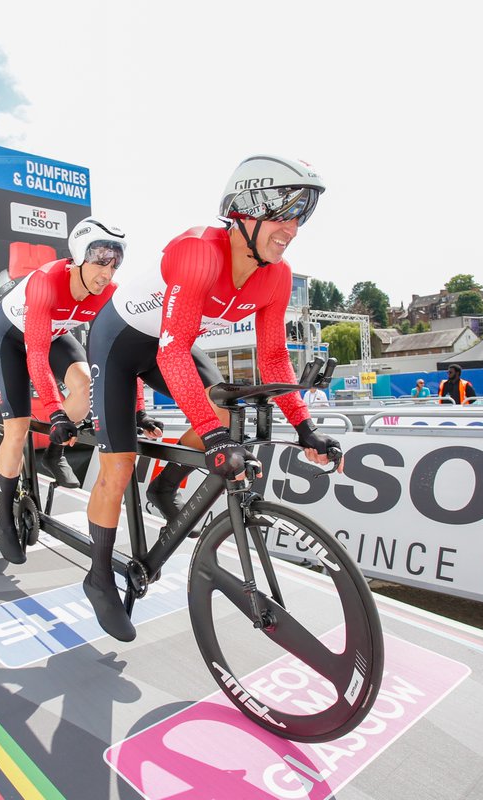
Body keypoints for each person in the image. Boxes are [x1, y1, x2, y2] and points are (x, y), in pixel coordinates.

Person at [83, 154, 342, 641]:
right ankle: (99, 578)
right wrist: (216, 438)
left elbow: (273, 356)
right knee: (117, 466)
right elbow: (175, 348)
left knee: (227, 402)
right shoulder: (199, 251)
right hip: (120, 344)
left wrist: (306, 428)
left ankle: (166, 483)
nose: (292, 229)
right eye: (284, 213)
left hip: (168, 345)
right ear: (246, 210)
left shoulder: (277, 276)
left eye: (301, 217)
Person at [0, 217, 133, 564]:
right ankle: (4, 515)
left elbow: (120, 354)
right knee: (17, 430)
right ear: (80, 257)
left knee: (87, 384)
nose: (107, 273)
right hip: (11, 337)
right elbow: (34, 353)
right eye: (100, 261)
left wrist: (136, 408)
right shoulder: (48, 281)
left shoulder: (108, 293)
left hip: (51, 332)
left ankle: (53, 452)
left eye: (115, 263)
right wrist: (54, 412)